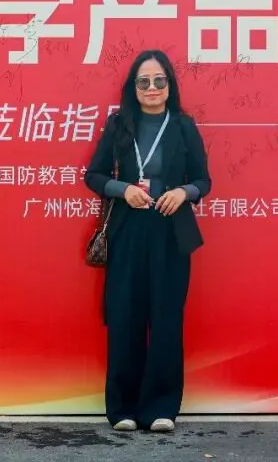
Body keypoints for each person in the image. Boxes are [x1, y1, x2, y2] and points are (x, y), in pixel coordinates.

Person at [84, 49, 212, 433]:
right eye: (144, 81)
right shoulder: (119, 124)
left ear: (169, 85)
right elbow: (94, 175)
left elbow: (204, 180)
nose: (152, 88)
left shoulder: (183, 126)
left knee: (166, 317)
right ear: (133, 87)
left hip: (171, 231)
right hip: (128, 230)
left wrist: (184, 192)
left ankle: (161, 408)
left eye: (159, 80)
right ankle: (122, 408)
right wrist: (123, 189)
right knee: (125, 316)